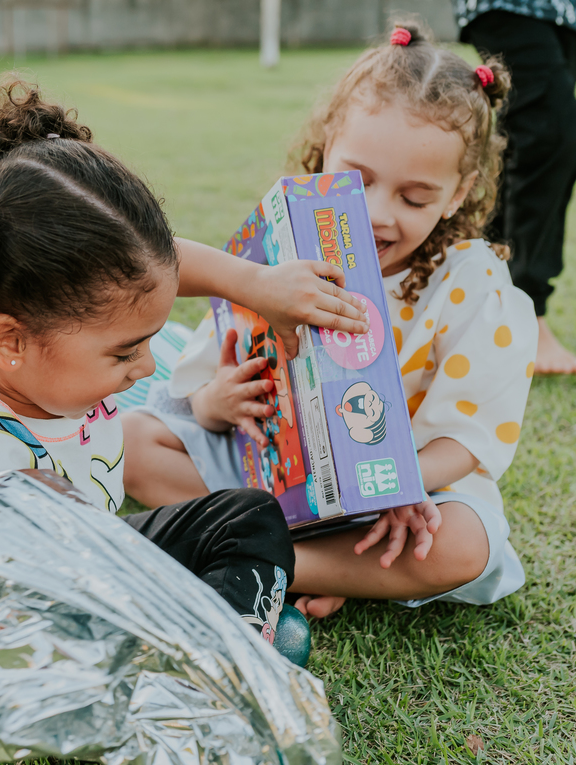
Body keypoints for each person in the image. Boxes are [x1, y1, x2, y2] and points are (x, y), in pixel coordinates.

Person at [0, 79, 369, 664]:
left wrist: (256, 284)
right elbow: (2, 625)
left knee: (247, 517)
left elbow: (150, 265)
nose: (147, 365)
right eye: (123, 353)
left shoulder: (9, 319)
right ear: (10, 340)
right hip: (12, 620)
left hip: (94, 555)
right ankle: (213, 663)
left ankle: (226, 649)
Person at [123, 23, 539, 619]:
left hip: (403, 497)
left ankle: (281, 559)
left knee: (465, 543)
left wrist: (401, 486)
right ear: (325, 153)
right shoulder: (282, 252)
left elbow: (467, 438)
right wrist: (219, 401)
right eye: (358, 179)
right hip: (270, 480)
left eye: (415, 198)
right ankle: (306, 556)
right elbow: (202, 401)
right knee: (133, 442)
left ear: (457, 194)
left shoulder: (472, 285)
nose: (376, 213)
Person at [455, 1, 576, 374]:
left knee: (520, 144)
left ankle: (483, 300)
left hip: (571, 10)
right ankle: (523, 313)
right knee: (552, 135)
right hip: (513, 5)